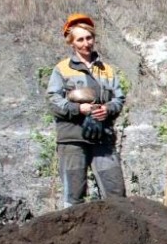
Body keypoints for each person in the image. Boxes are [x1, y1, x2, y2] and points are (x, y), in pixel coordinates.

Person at [46, 13, 126, 208]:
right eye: (80, 39)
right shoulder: (62, 69)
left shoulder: (106, 70)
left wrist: (107, 109)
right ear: (71, 43)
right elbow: (52, 100)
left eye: (88, 38)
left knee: (116, 192)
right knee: (74, 195)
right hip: (73, 139)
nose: (85, 43)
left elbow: (119, 98)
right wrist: (78, 108)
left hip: (102, 138)